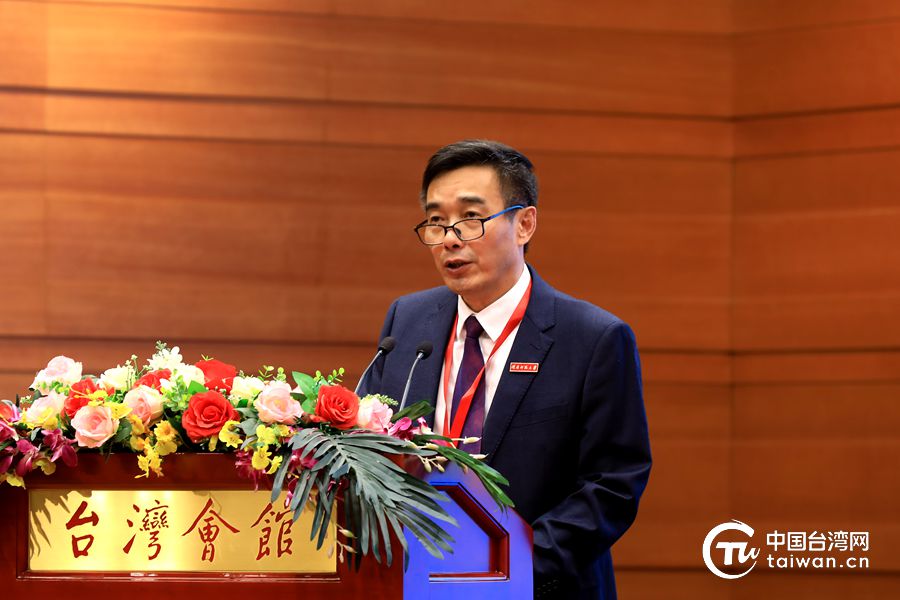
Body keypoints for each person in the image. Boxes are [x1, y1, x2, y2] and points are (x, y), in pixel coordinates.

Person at [362, 139, 651, 599]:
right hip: (414, 582)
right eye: (436, 222)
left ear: (524, 224)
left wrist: (509, 564)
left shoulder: (593, 338)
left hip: (539, 586)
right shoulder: (406, 323)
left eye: (470, 218)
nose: (450, 238)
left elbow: (613, 485)